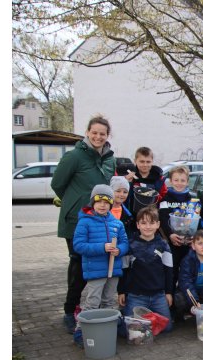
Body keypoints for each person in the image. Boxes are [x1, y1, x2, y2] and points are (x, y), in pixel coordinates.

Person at [50, 115, 116, 334]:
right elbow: (58, 184)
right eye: (94, 132)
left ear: (107, 135)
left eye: (102, 134)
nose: (98, 137)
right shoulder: (74, 157)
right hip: (76, 220)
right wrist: (75, 201)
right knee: (78, 266)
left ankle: (92, 307)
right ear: (87, 132)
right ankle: (70, 311)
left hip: (100, 221)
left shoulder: (110, 159)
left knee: (96, 265)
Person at [71, 184, 130, 346]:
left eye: (106, 202)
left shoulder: (117, 224)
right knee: (92, 302)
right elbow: (78, 245)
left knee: (109, 301)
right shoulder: (85, 222)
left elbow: (125, 243)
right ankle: (81, 331)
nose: (102, 205)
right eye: (99, 201)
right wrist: (102, 247)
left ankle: (108, 329)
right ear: (93, 203)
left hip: (113, 270)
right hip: (95, 271)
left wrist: (119, 250)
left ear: (111, 204)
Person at [118, 206, 174, 334]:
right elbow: (124, 270)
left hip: (158, 296)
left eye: (152, 223)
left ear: (158, 224)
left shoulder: (163, 245)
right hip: (136, 296)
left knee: (167, 328)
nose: (148, 227)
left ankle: (147, 320)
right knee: (127, 331)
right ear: (138, 225)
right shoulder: (130, 245)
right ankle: (129, 316)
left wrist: (168, 292)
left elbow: (169, 271)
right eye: (143, 223)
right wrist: (121, 291)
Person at [158, 165, 202, 318]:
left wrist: (193, 238)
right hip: (172, 245)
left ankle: (187, 306)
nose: (179, 183)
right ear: (170, 181)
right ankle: (170, 309)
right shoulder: (165, 199)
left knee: (188, 275)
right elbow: (163, 219)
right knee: (171, 275)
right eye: (176, 180)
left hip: (188, 245)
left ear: (187, 181)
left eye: (182, 180)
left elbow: (197, 220)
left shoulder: (193, 199)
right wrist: (170, 235)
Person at [123, 146, 167, 216]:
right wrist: (127, 183)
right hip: (132, 216)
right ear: (135, 161)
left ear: (152, 161)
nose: (145, 165)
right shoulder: (129, 177)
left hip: (152, 217)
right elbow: (122, 199)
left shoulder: (159, 179)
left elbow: (164, 199)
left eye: (148, 162)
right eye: (142, 161)